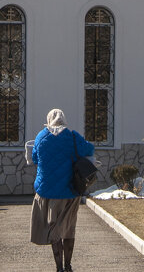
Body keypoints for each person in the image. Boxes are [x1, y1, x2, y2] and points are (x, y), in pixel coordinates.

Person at [31, 108, 94, 272]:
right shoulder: (72, 137)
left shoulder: (41, 136)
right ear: (64, 120)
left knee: (54, 230)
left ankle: (58, 267)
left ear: (48, 120)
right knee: (69, 229)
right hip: (70, 191)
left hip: (48, 192)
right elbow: (89, 149)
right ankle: (68, 266)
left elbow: (35, 158)